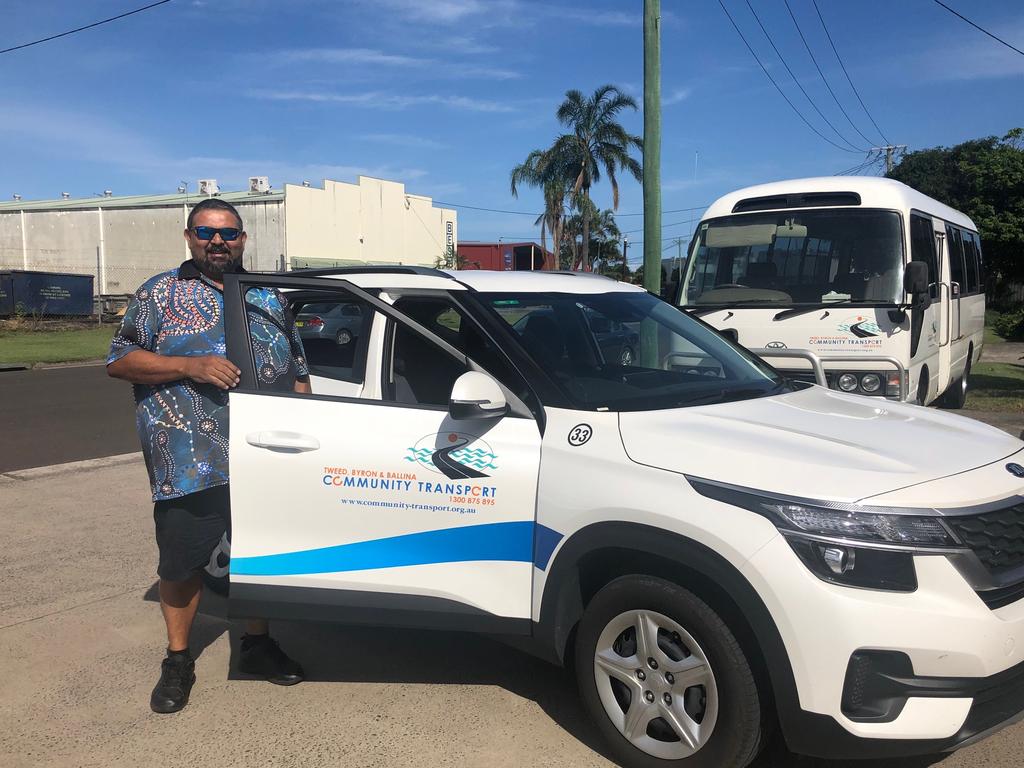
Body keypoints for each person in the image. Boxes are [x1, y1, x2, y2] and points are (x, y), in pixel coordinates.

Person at [107, 198, 311, 714]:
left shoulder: (268, 295)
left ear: (243, 239)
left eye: (229, 234)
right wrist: (189, 366)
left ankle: (256, 645)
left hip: (266, 454)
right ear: (189, 236)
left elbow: (300, 371)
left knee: (261, 555)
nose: (217, 242)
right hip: (191, 459)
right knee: (181, 562)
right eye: (206, 232)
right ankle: (179, 659)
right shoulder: (160, 293)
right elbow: (120, 359)